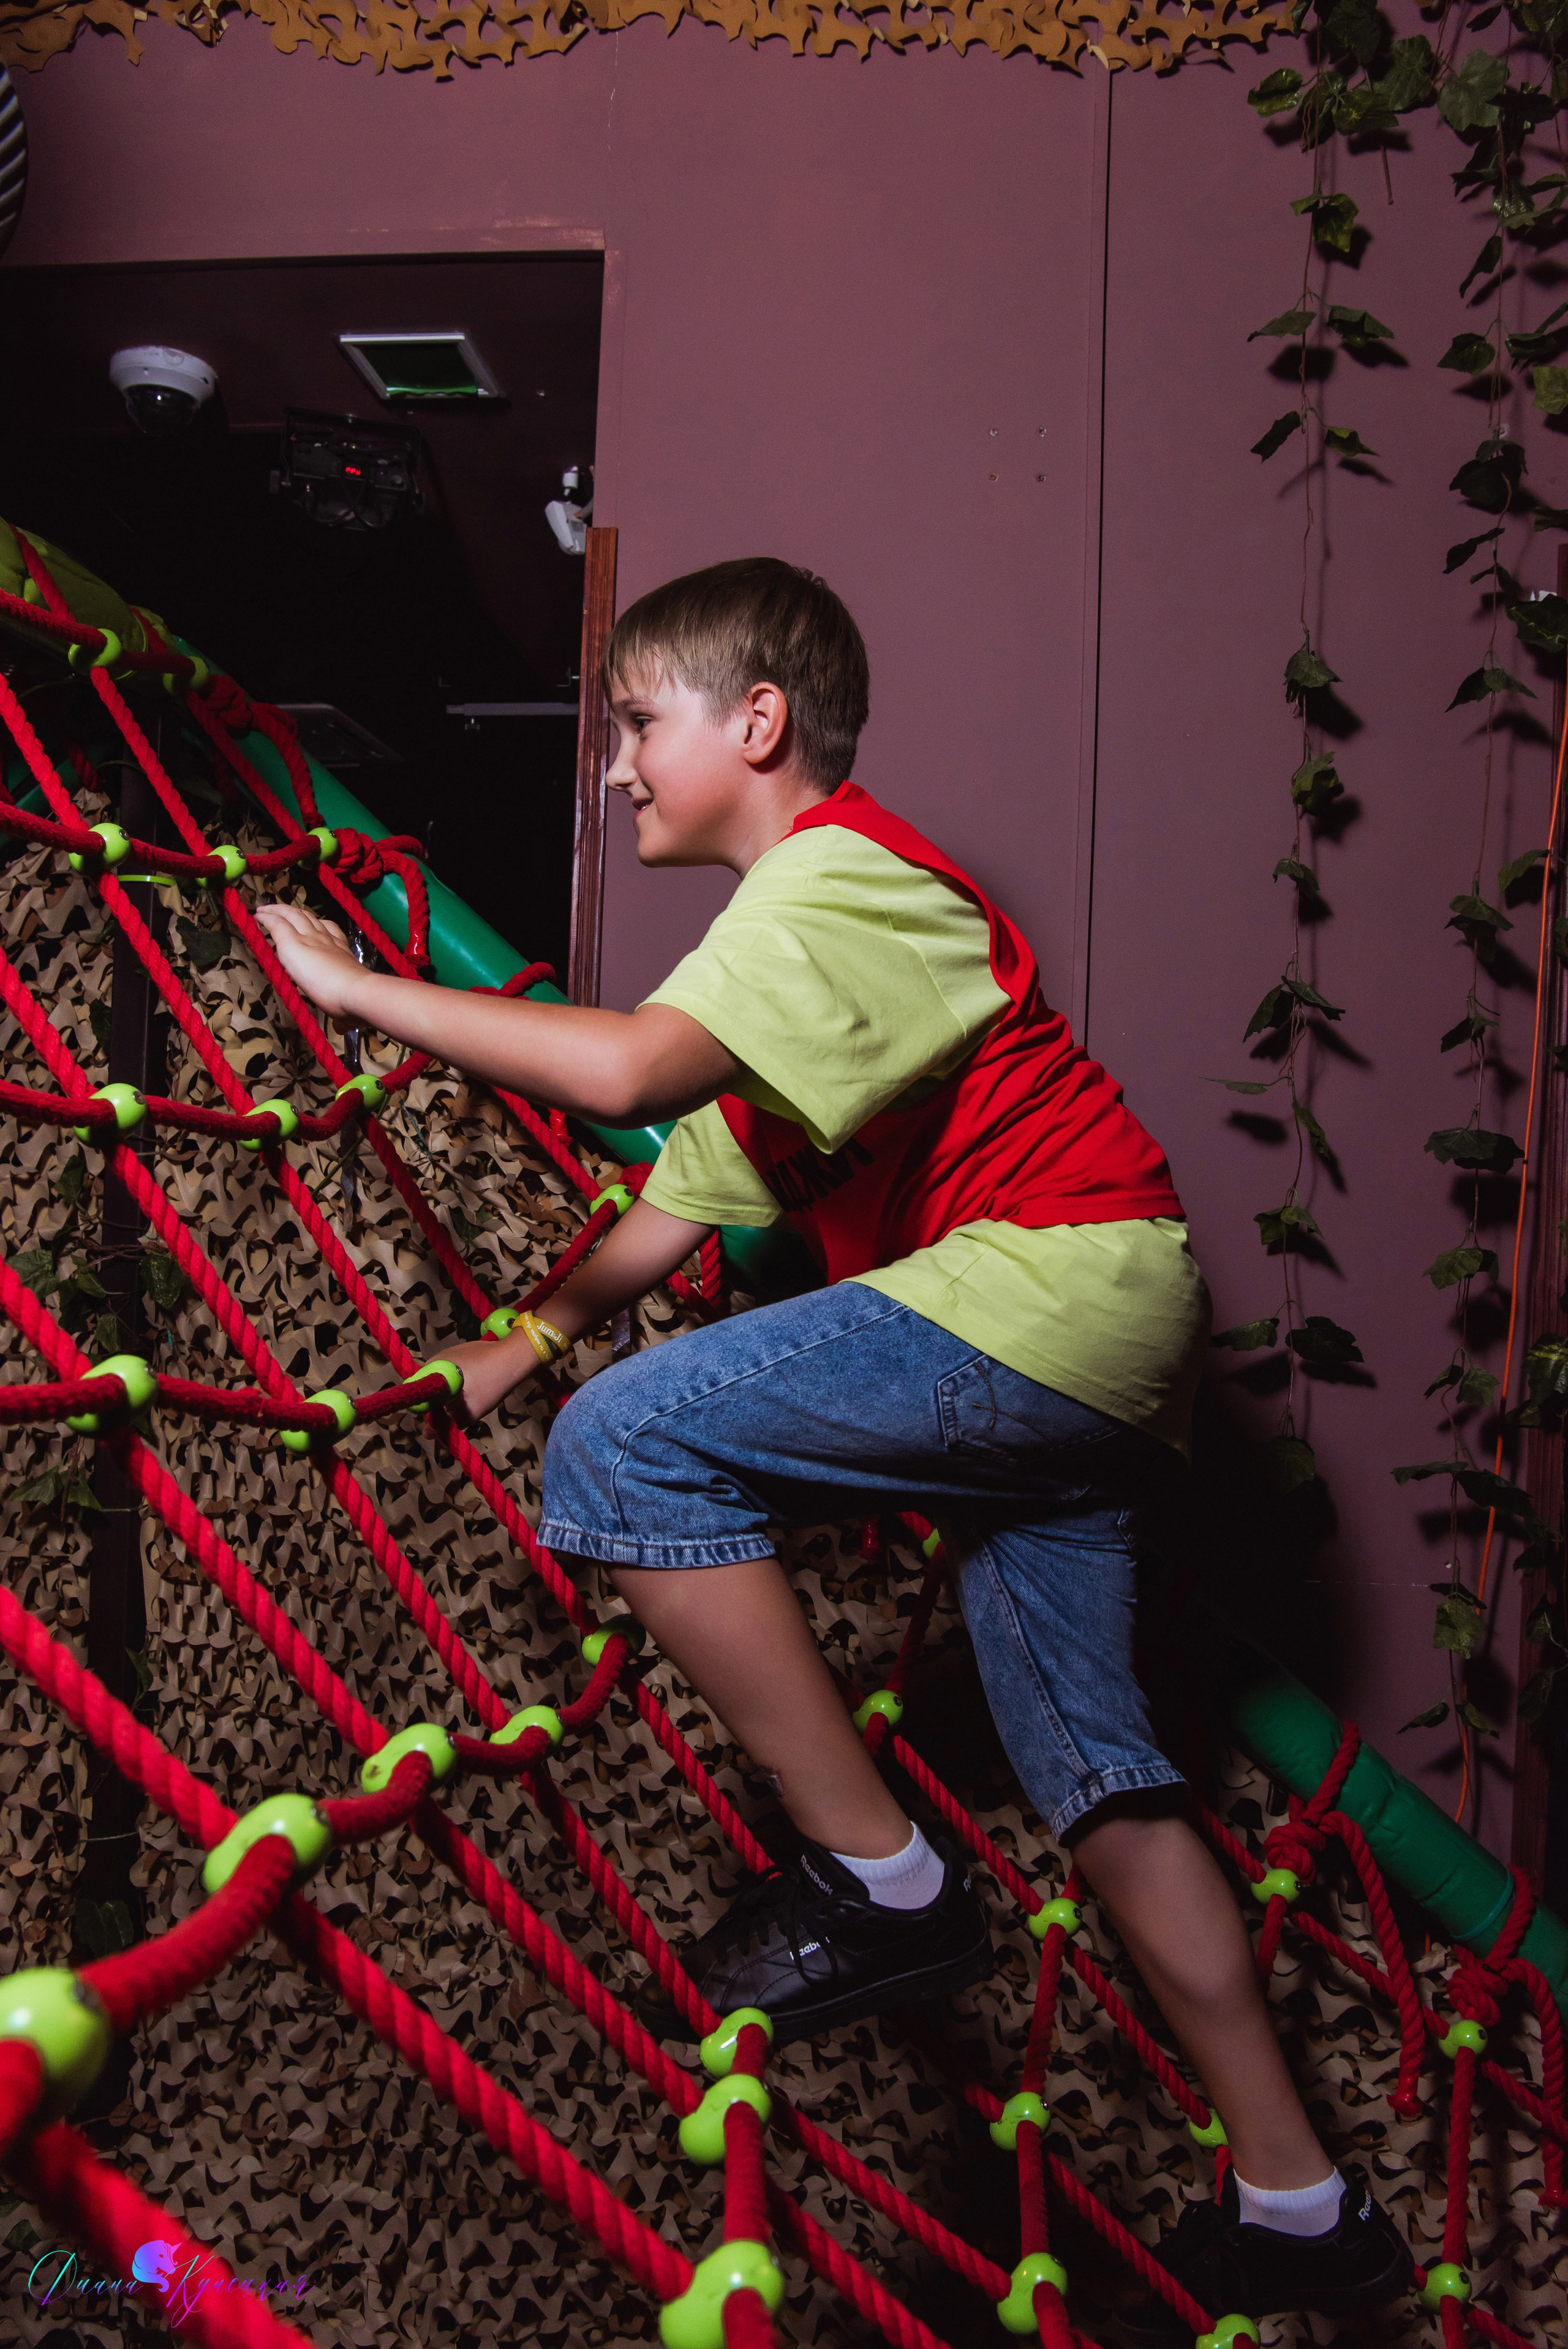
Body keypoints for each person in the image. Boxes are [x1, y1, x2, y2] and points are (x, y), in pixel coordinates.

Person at [255, 556, 1412, 2329]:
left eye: (641, 724)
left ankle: (885, 1877)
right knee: (1107, 1785)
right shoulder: (790, 977)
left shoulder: (845, 876)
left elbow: (635, 1074)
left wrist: (356, 997)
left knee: (628, 1447)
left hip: (1056, 1292)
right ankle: (1301, 2194)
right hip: (1086, 1356)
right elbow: (685, 1195)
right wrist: (532, 1332)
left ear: (759, 723)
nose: (619, 766)